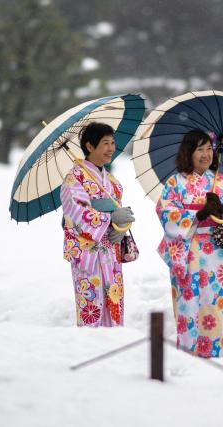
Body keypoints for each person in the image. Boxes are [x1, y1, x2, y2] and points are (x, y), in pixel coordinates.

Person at [156, 129, 223, 357]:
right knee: (188, 305)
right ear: (188, 152)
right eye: (200, 149)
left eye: (209, 149)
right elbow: (165, 211)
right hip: (188, 252)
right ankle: (187, 354)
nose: (206, 154)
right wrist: (197, 215)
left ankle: (213, 352)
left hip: (216, 253)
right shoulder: (174, 183)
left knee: (214, 305)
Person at [60, 122, 135, 327]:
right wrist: (110, 219)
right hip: (88, 252)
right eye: (105, 143)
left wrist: (122, 226)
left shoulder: (111, 181)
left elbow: (118, 211)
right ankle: (91, 346)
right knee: (92, 303)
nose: (111, 148)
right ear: (89, 146)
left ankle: (114, 342)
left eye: (112, 143)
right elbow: (76, 213)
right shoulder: (74, 178)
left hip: (111, 248)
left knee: (113, 299)